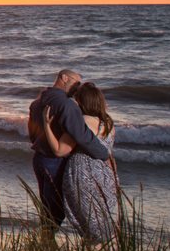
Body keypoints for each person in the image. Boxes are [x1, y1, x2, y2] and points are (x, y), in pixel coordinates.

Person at [26, 68, 109, 229]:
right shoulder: (66, 105)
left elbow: (32, 129)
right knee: (55, 210)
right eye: (76, 83)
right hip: (54, 161)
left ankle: (45, 240)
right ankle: (47, 244)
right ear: (64, 78)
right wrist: (104, 153)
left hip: (39, 159)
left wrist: (39, 142)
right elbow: (83, 136)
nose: (78, 88)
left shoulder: (39, 101)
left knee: (47, 204)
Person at [39, 82, 119, 241]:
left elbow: (60, 150)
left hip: (82, 173)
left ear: (82, 102)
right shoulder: (109, 123)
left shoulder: (81, 121)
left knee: (87, 220)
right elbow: (108, 153)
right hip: (105, 174)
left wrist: (46, 125)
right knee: (100, 216)